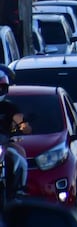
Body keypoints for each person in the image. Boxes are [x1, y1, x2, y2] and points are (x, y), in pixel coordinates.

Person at [0, 70, 29, 200]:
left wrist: (22, 126)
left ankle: (20, 188)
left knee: (19, 156)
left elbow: (21, 123)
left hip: (4, 142)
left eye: (1, 88)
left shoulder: (9, 107)